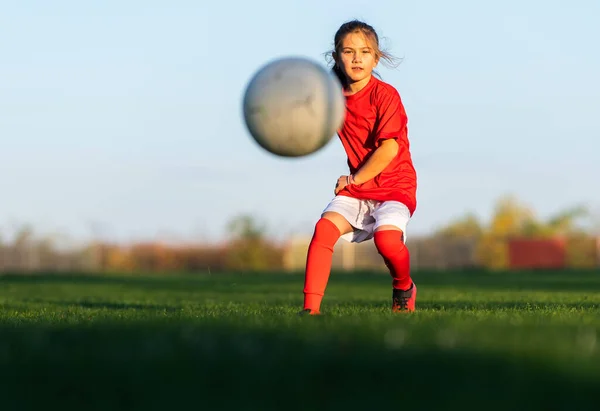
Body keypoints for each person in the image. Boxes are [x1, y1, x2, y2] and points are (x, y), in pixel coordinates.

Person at [300, 20, 418, 315]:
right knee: (324, 230)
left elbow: (388, 148)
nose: (356, 58)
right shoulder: (331, 97)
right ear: (336, 56)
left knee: (387, 241)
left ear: (376, 58)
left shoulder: (385, 95)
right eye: (348, 51)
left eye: (365, 52)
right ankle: (310, 311)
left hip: (394, 184)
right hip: (359, 187)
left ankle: (404, 285)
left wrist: (353, 179)